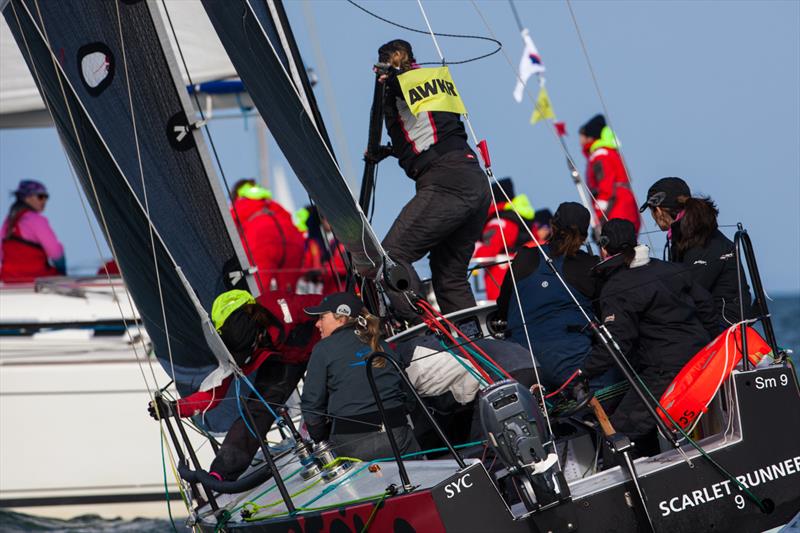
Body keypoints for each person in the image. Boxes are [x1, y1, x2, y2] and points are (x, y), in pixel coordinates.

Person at [580, 219, 720, 457]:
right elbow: (706, 307)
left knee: (618, 433)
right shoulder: (670, 269)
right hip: (702, 358)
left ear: (604, 248)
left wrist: (584, 372)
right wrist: (714, 347)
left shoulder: (616, 287)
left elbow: (617, 343)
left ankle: (636, 490)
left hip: (664, 371)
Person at [371, 39, 490, 319]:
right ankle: (473, 339)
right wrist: (388, 151)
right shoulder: (432, 80)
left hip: (446, 180)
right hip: (473, 177)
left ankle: (426, 329)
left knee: (391, 257)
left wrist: (390, 76)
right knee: (449, 274)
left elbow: (402, 83)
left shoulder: (399, 82)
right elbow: (430, 128)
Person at [148, 289, 321, 481]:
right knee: (256, 410)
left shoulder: (288, 305)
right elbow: (214, 393)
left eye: (249, 348)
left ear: (258, 330)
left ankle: (329, 436)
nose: (245, 356)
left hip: (323, 348)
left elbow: (337, 315)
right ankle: (222, 473)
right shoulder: (233, 345)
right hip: (284, 359)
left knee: (318, 395)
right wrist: (174, 408)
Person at [496, 202, 603, 391]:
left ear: (552, 226)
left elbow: (503, 305)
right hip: (570, 362)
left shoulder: (524, 257)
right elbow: (603, 313)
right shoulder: (591, 266)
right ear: (585, 236)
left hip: (521, 362)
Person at [301, 292, 420, 461]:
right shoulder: (382, 344)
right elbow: (409, 398)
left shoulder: (323, 349)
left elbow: (312, 407)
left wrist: (321, 439)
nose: (317, 324)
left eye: (322, 317)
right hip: (399, 434)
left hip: (352, 444)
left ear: (341, 318)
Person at [640, 177, 752, 324]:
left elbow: (688, 291)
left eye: (651, 212)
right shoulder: (692, 232)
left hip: (725, 327)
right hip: (713, 319)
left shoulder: (699, 238)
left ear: (659, 210)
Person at [230, 182, 305, 293]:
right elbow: (290, 219)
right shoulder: (273, 204)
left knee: (258, 291)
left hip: (262, 242)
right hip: (294, 242)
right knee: (288, 295)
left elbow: (227, 230)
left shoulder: (240, 204)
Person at [473, 177, 535, 300]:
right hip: (522, 283)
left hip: (500, 285)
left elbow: (484, 254)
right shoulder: (522, 221)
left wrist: (470, 244)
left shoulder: (499, 223)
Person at [579, 114, 640, 234]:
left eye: (582, 136)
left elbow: (606, 187)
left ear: (590, 137)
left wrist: (598, 217)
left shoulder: (600, 156)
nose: (580, 141)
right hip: (628, 210)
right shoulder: (611, 153)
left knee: (614, 249)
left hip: (615, 212)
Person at [1, 180, 65, 282]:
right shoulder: (36, 220)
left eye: (46, 197)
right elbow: (55, 251)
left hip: (9, 280)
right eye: (40, 196)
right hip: (37, 278)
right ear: (28, 198)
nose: (44, 200)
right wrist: (62, 272)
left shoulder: (7, 222)